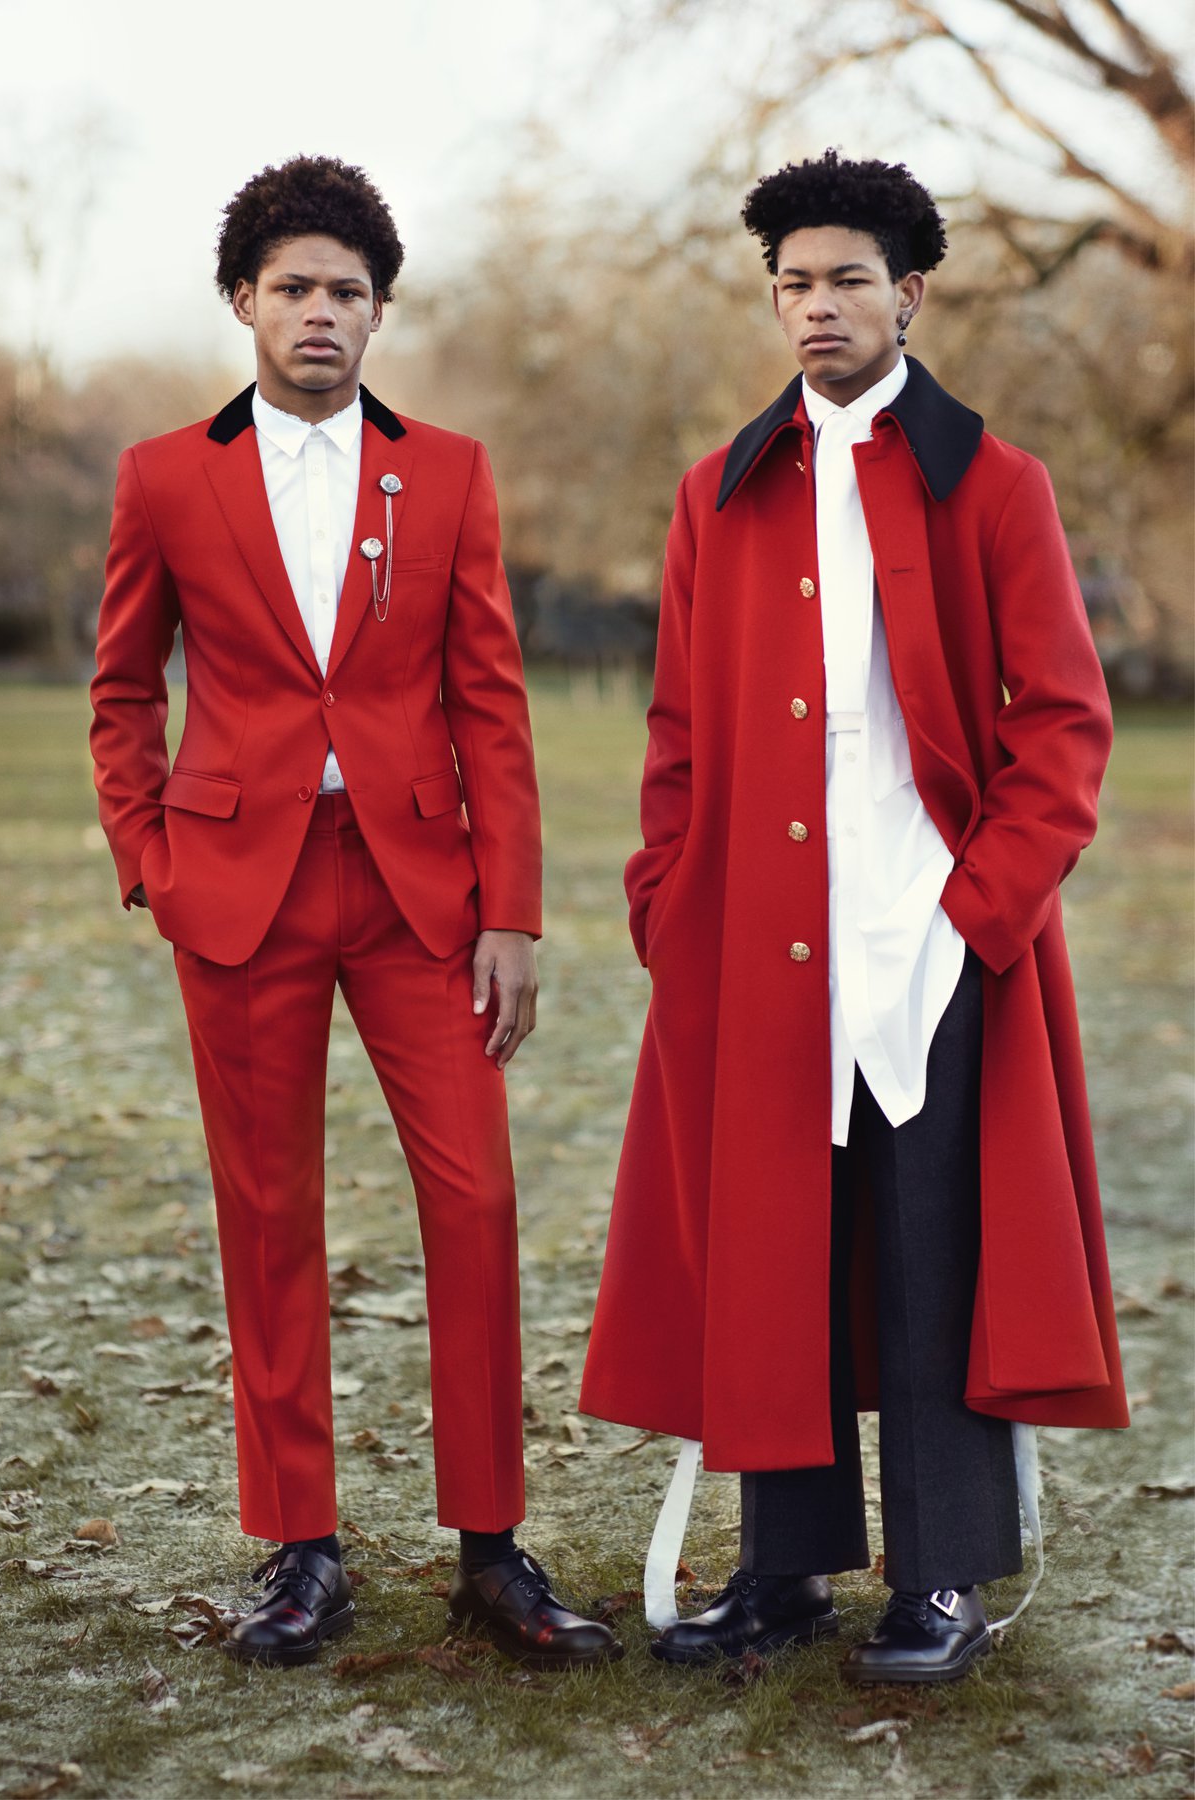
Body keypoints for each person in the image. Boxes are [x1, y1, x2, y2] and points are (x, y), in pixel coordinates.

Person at [579, 149, 1127, 1683]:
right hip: (760, 935)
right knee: (778, 1248)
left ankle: (942, 1578)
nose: (815, 307)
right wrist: (667, 898)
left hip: (934, 927)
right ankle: (786, 1567)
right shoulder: (719, 491)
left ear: (910, 292)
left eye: (844, 279)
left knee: (932, 1245)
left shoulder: (996, 481)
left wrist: (980, 904)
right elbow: (677, 730)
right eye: (792, 285)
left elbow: (1065, 724)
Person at [90, 155, 619, 1672]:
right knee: (270, 1221)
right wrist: (151, 860)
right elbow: (123, 688)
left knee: (476, 1203)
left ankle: (492, 1549)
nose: (321, 312)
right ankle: (301, 1549)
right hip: (237, 894)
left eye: (348, 291)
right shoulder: (162, 476)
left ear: (380, 312)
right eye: (295, 288)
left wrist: (509, 912)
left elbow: (492, 702)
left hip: (419, 898)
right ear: (244, 302)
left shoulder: (446, 471)